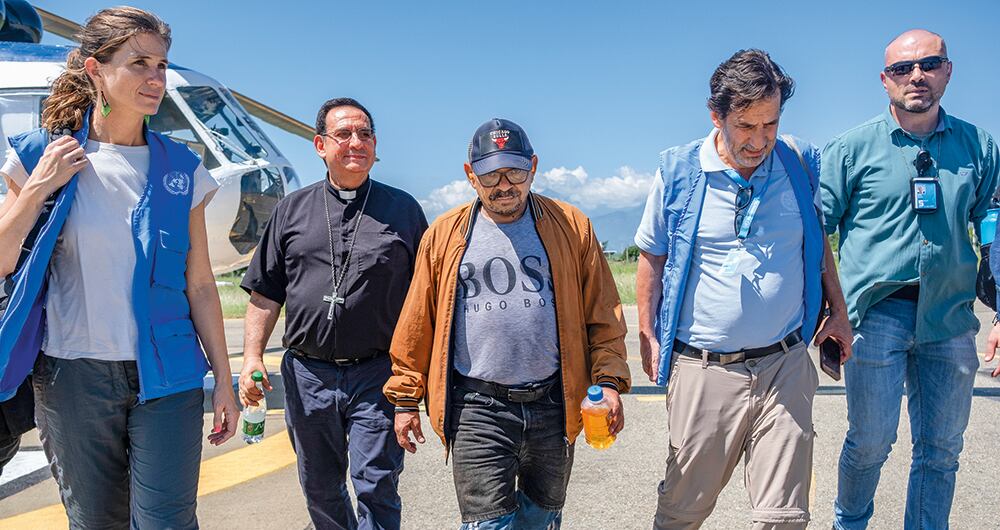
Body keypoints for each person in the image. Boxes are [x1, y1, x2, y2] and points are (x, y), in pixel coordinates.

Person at [0, 7, 238, 528]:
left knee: (167, 521)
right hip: (72, 375)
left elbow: (199, 284)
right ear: (95, 69)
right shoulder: (43, 153)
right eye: (139, 63)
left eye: (161, 65)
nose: (156, 79)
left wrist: (224, 379)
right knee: (96, 521)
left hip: (168, 378)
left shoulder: (183, 169)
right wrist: (39, 185)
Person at [634, 49, 853, 529]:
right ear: (717, 115)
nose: (760, 140)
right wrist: (648, 333)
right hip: (705, 367)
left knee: (784, 518)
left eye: (770, 124)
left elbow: (818, 246)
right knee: (681, 513)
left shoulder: (798, 161)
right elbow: (652, 256)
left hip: (785, 363)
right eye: (747, 126)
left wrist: (838, 311)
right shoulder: (678, 173)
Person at [385, 118, 630, 529]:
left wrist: (608, 382)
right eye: (490, 174)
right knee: (487, 525)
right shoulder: (443, 235)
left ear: (533, 166)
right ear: (470, 175)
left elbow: (603, 317)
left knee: (541, 518)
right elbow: (417, 323)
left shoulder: (572, 226)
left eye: (515, 172)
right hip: (477, 407)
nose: (504, 185)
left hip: (554, 403)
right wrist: (406, 398)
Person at [822, 29, 999, 530]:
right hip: (874, 317)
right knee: (870, 442)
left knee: (941, 449)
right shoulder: (850, 149)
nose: (916, 76)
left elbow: (996, 233)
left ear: (947, 70)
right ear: (885, 80)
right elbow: (816, 233)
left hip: (949, 316)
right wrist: (825, 312)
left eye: (928, 64)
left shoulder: (979, 147)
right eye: (903, 68)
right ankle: (850, 522)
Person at [239, 97, 427, 530]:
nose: (355, 142)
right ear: (320, 144)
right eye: (343, 134)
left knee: (376, 483)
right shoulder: (291, 209)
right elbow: (265, 293)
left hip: (378, 373)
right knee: (320, 486)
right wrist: (251, 358)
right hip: (308, 374)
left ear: (376, 145)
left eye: (365, 134)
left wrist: (419, 380)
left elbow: (425, 300)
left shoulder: (404, 211)